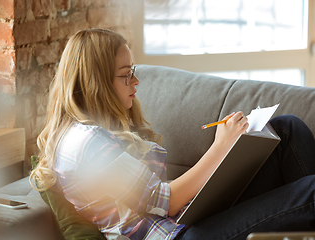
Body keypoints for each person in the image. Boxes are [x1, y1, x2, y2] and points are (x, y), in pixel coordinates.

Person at [30, 28, 315, 240]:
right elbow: (165, 201)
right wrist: (222, 146)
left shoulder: (96, 130)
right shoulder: (86, 143)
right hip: (176, 237)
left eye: (133, 72)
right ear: (96, 82)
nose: (136, 81)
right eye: (126, 74)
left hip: (184, 222)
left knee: (286, 128)